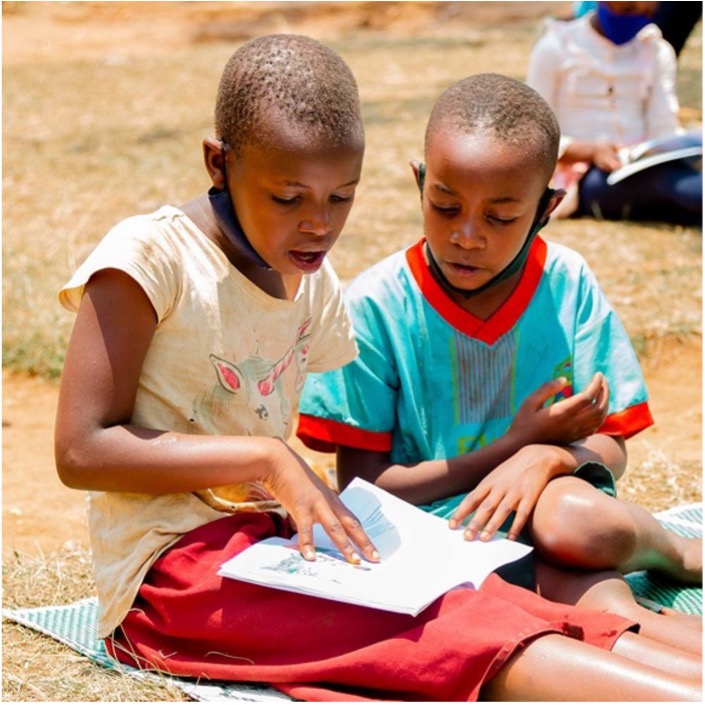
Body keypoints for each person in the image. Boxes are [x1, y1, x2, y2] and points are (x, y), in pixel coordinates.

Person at [53, 35, 701, 700]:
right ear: (218, 163)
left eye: (341, 199)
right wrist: (266, 458)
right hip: (170, 580)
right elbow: (80, 449)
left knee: (503, 608)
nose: (317, 226)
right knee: (449, 632)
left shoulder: (310, 282)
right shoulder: (148, 260)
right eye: (288, 198)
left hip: (277, 546)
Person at [298, 70, 703, 674]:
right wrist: (516, 444)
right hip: (438, 538)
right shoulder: (376, 305)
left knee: (576, 523)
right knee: (600, 638)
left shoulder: (566, 284)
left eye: (501, 216)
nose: (467, 235)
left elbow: (610, 445)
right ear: (419, 184)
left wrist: (550, 457)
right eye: (445, 204)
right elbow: (368, 490)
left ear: (546, 209)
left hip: (560, 518)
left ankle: (678, 554)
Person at [526, 1, 702, 226]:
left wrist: (670, 150)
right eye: (627, 9)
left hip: (640, 163)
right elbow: (532, 132)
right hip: (582, 172)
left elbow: (663, 124)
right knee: (668, 181)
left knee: (676, 192)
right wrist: (588, 150)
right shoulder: (556, 47)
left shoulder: (656, 50)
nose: (636, 19)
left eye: (648, 13)